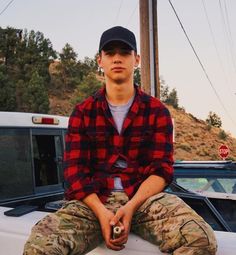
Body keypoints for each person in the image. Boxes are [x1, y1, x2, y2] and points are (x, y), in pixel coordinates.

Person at [24, 26, 217, 255]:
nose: (117, 58)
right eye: (110, 52)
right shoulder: (83, 113)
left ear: (136, 59)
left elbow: (161, 170)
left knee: (201, 238)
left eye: (125, 52)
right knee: (39, 245)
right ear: (100, 60)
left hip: (144, 201)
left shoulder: (157, 112)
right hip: (93, 203)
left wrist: (130, 207)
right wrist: (102, 214)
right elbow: (75, 173)